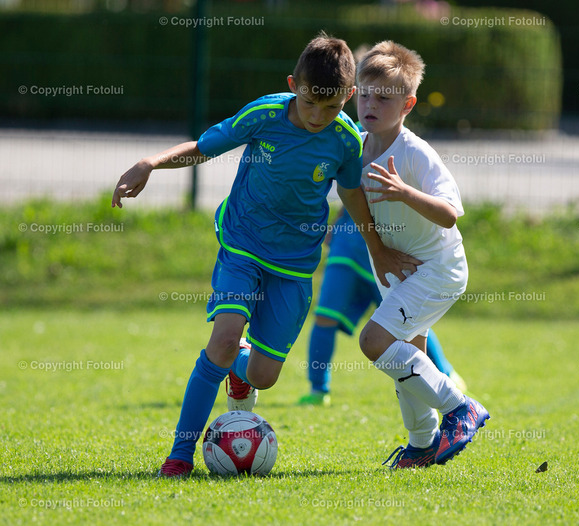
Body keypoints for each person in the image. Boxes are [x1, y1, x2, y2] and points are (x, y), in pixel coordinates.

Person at [111, 33, 421, 478]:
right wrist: (151, 163)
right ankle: (180, 454)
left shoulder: (345, 140)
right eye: (310, 103)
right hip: (243, 245)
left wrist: (379, 249)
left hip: (294, 266)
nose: (317, 116)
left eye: (331, 107)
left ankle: (241, 368)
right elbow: (204, 148)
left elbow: (352, 196)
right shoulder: (265, 114)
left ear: (349, 97)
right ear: (294, 85)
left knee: (263, 376)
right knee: (221, 342)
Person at [355, 41, 489, 469]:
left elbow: (450, 215)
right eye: (364, 94)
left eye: (384, 98)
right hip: (399, 271)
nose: (370, 104)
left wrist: (404, 192)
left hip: (438, 269)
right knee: (406, 354)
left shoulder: (415, 152)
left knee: (375, 342)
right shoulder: (355, 144)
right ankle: (422, 444)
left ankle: (460, 407)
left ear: (408, 104)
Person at [299, 207, 467, 406]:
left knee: (408, 320)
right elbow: (351, 191)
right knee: (325, 316)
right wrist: (337, 222)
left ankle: (445, 373)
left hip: (388, 249)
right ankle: (318, 388)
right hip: (347, 245)